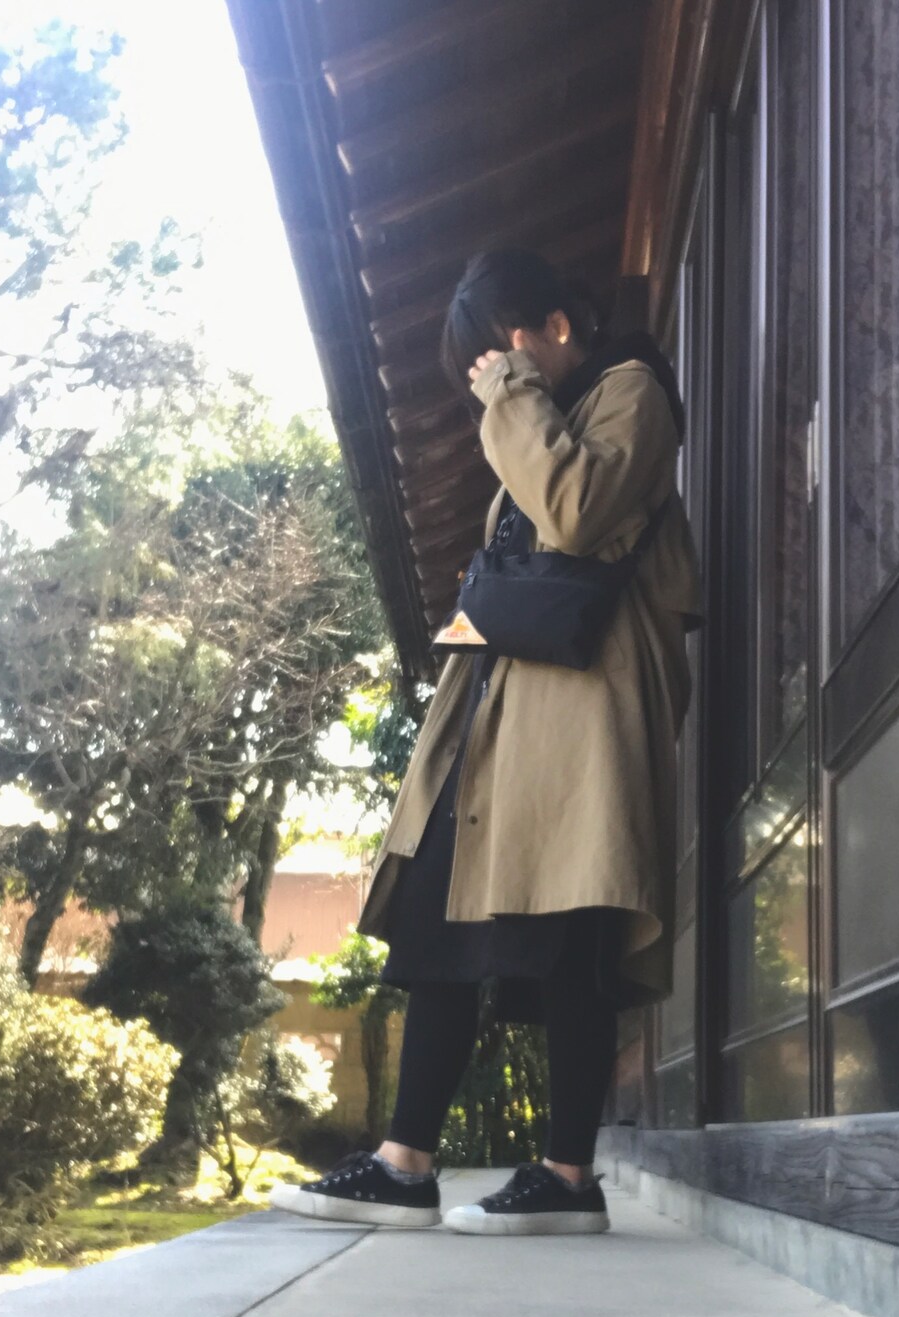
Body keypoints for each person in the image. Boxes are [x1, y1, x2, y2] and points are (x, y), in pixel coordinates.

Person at [271, 249, 703, 1236]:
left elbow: (575, 510)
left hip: (580, 719)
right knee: (442, 923)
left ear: (556, 327)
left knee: (572, 934)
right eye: (480, 372)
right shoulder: (542, 413)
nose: (491, 381)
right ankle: (405, 1163)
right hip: (498, 715)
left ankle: (567, 1174)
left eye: (500, 355)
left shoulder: (632, 392)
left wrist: (510, 394)